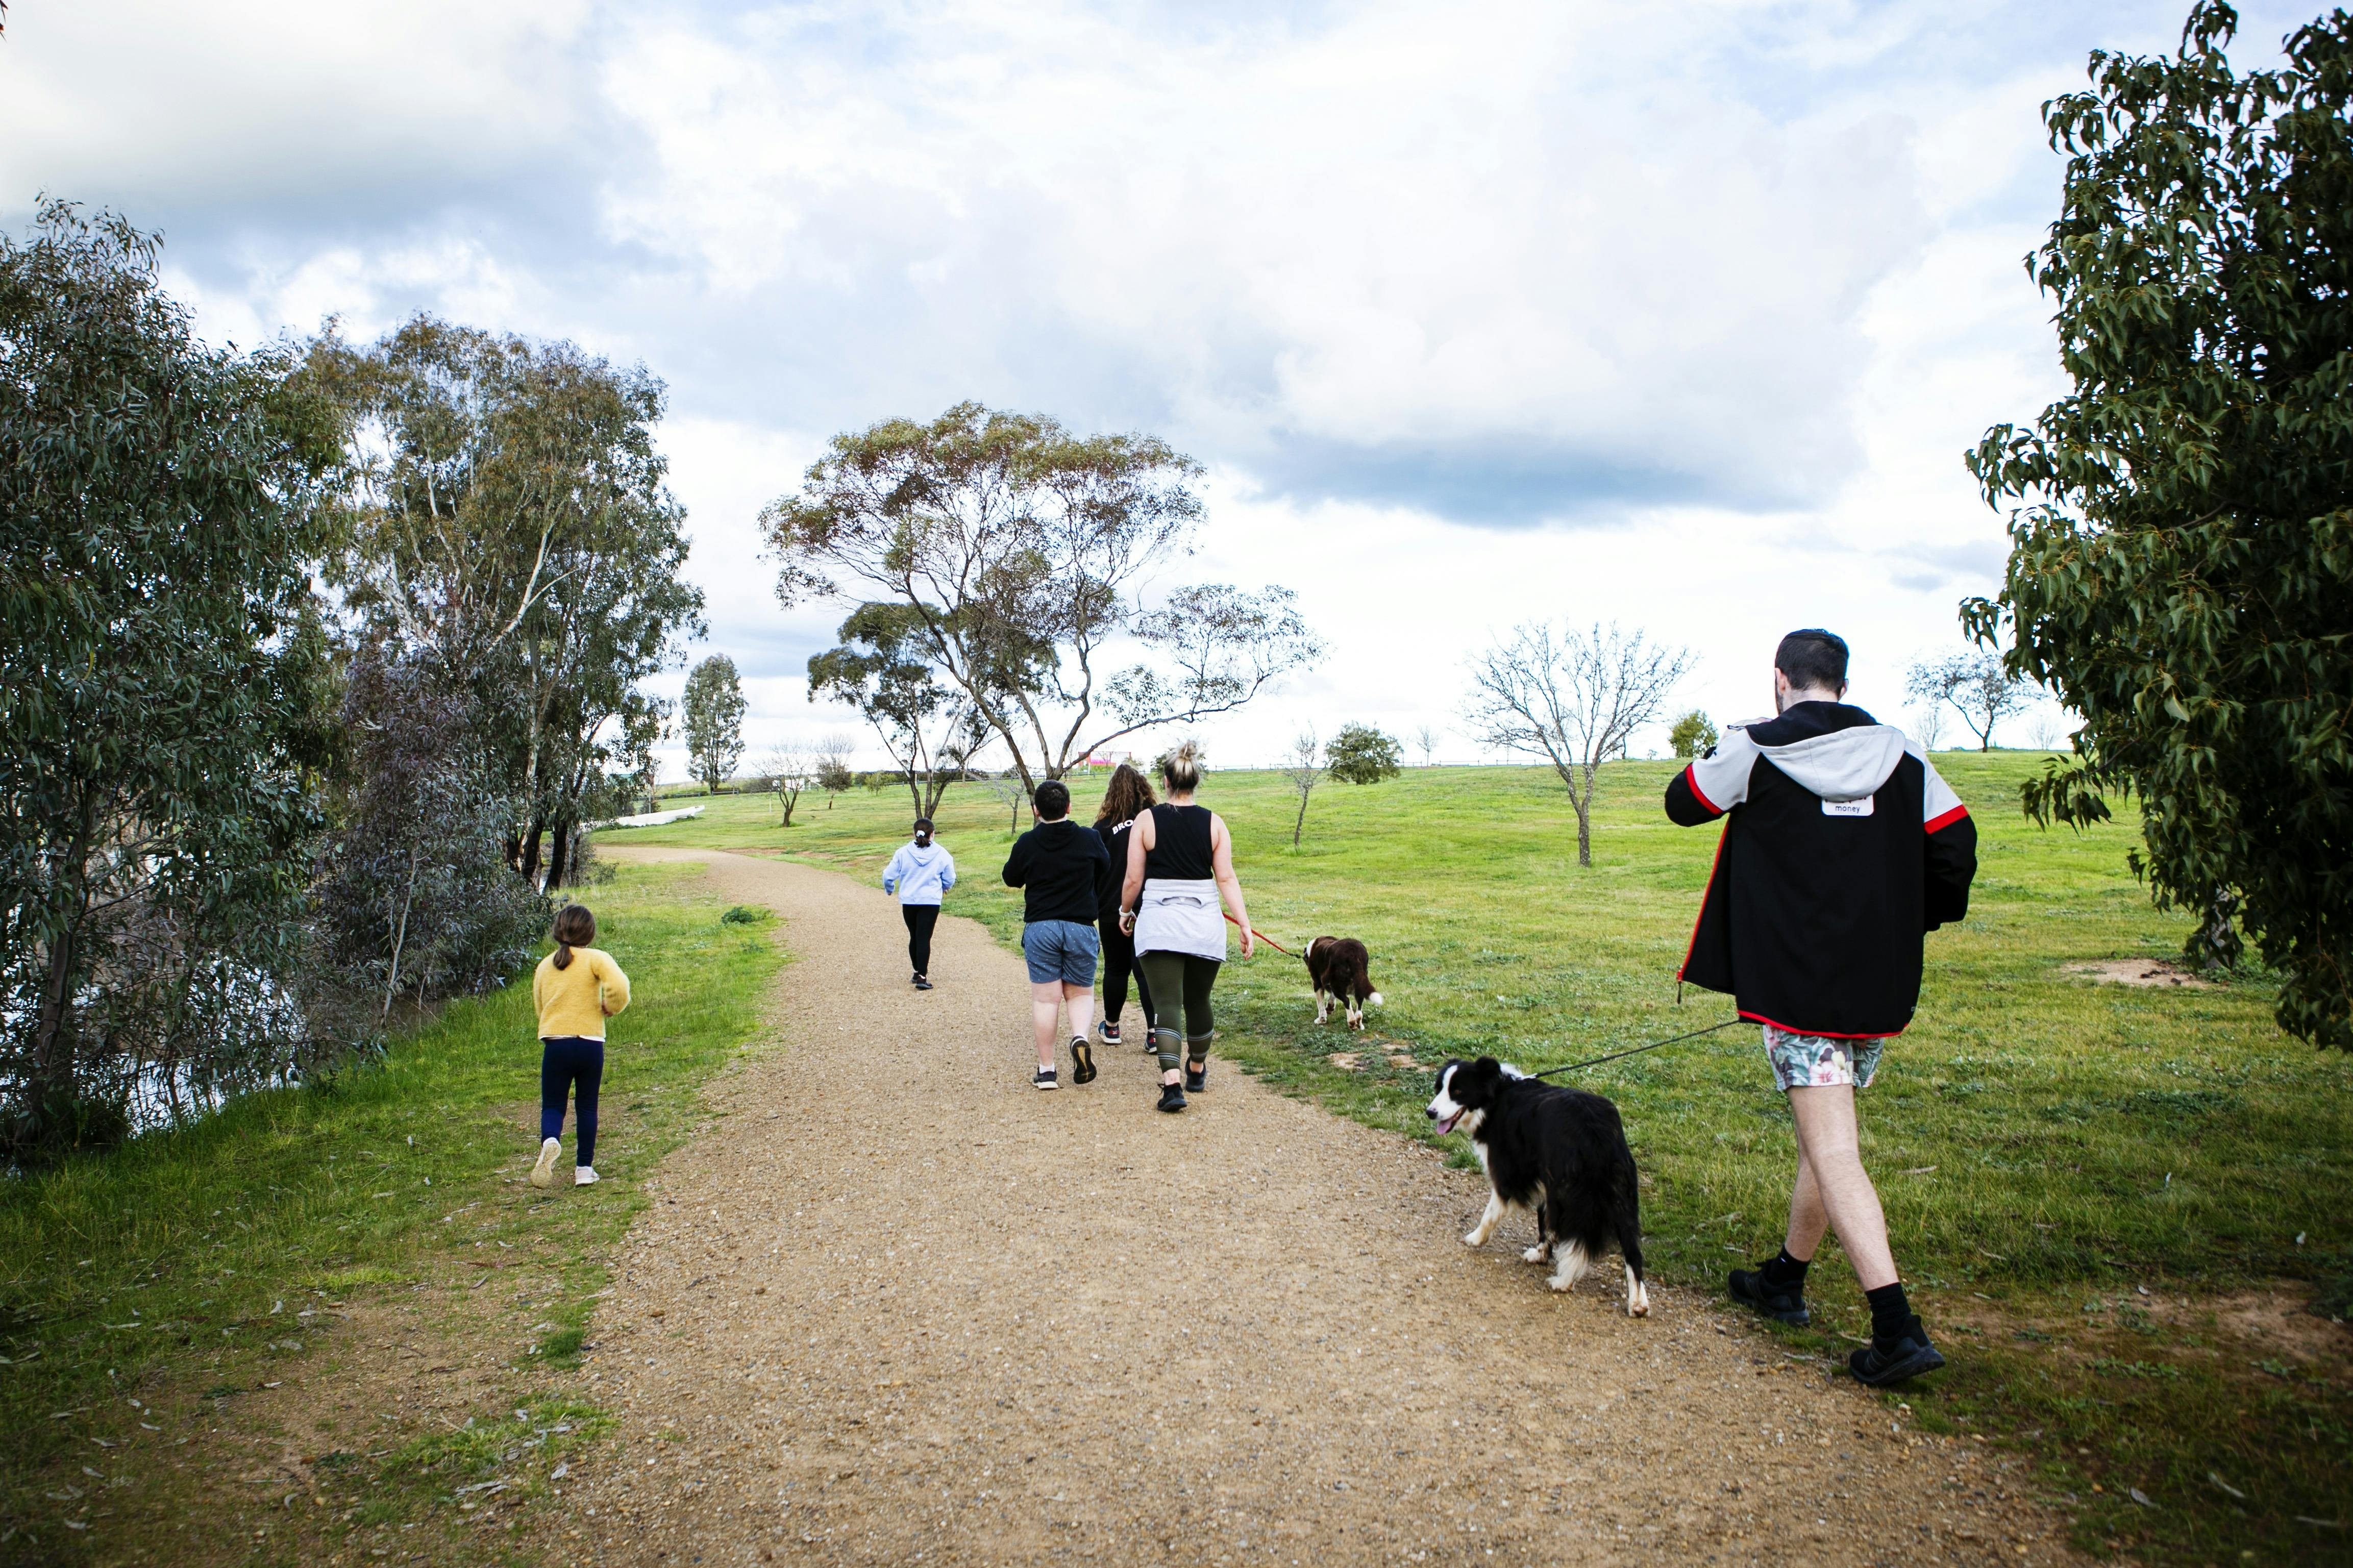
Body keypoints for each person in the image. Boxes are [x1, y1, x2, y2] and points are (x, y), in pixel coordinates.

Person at [1664, 628, 1977, 1385]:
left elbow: (1683, 803)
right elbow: (1955, 846)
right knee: (1825, 1133)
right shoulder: (1903, 754)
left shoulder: (1756, 746)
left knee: (1833, 1148)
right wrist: (1913, 916)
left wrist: (1732, 742)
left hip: (1796, 985)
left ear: (1780, 679)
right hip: (1876, 983)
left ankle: (1896, 1328)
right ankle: (1783, 1280)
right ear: (1841, 683)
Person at [1119, 740, 1253, 1114]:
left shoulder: (1146, 821)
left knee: (1166, 1004)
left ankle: (1172, 1085)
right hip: (1203, 922)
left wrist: (1125, 911)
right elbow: (1226, 878)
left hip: (1159, 922)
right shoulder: (1215, 823)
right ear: (1195, 782)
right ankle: (1196, 1068)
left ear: (1165, 782)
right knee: (1198, 1000)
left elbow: (1133, 878)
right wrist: (1244, 923)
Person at [1002, 778, 1108, 1090]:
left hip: (1042, 927)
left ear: (1036, 810)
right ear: (1069, 807)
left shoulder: (1028, 842)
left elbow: (1011, 878)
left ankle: (1047, 1070)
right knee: (1081, 994)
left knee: (1046, 1001)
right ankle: (1079, 1038)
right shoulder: (1089, 838)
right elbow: (1105, 869)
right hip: (1080, 926)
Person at [529, 904, 631, 1189]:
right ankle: (584, 1169)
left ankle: (551, 1140)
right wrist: (611, 1006)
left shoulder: (546, 965)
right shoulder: (596, 958)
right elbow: (620, 987)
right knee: (587, 1105)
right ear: (590, 933)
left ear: (558, 931)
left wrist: (553, 1024)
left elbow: (540, 1006)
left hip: (556, 1044)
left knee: (553, 1104)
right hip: (590, 1043)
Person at [1090, 764, 1157, 1050]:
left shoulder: (1102, 829)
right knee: (1146, 970)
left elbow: (1094, 870)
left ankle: (1112, 1027)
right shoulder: (1154, 822)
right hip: (1149, 906)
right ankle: (1154, 1033)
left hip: (1111, 907)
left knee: (1116, 968)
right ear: (1143, 789)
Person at [883, 817, 957, 990]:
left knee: (914, 936)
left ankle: (917, 972)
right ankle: (923, 977)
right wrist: (945, 887)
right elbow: (950, 877)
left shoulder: (903, 853)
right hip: (930, 901)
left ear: (914, 833)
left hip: (909, 900)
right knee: (924, 937)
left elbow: (888, 875)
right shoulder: (942, 853)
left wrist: (890, 889)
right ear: (933, 834)